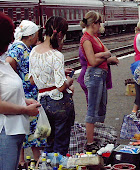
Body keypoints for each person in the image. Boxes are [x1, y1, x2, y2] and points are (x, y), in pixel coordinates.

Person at [29, 16, 75, 156]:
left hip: (43, 102)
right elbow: (61, 86)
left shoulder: (34, 51)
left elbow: (32, 80)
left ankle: (47, 166)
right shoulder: (56, 55)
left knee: (49, 141)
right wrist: (69, 81)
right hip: (59, 102)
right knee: (60, 144)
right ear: (60, 34)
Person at [0, 12, 40, 170]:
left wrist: (23, 101)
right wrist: (24, 109)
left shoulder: (3, 63)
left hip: (14, 130)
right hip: (4, 131)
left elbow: (6, 93)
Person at [80, 11, 119, 152]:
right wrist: (104, 55)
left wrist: (101, 56)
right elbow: (92, 61)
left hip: (101, 75)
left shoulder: (95, 38)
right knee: (92, 110)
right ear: (93, 23)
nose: (100, 26)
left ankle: (98, 136)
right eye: (99, 23)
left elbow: (105, 55)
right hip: (94, 75)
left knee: (101, 109)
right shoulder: (86, 39)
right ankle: (90, 142)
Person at [77, 27, 114, 103]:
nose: (97, 37)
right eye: (97, 34)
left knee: (98, 105)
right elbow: (91, 60)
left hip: (96, 75)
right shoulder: (86, 44)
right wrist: (108, 59)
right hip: (90, 76)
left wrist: (103, 55)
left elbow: (107, 53)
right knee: (93, 106)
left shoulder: (93, 42)